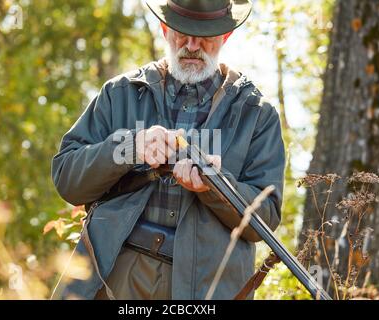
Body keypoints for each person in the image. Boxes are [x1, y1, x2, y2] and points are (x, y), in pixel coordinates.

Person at [51, 0, 285, 300]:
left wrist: (214, 185)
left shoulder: (258, 115)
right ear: (164, 28)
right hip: (114, 273)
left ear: (225, 37)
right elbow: (67, 180)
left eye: (205, 36)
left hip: (205, 289)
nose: (191, 45)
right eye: (183, 33)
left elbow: (263, 222)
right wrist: (129, 148)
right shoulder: (118, 93)